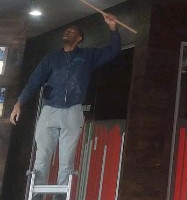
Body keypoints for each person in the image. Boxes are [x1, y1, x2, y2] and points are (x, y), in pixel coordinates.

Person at [11, 12, 122, 188]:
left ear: (80, 38)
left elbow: (113, 50)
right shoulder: (51, 58)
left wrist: (112, 28)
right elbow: (34, 81)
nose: (67, 32)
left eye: (72, 31)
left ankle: (60, 197)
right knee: (42, 157)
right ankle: (37, 196)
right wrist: (19, 103)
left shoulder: (87, 56)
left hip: (73, 110)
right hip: (50, 110)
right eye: (66, 30)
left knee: (66, 161)